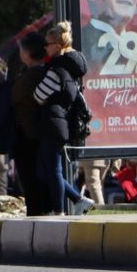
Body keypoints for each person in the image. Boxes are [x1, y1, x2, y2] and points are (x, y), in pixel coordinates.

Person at [33, 21, 93, 215]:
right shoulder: (69, 72)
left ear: (58, 46)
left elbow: (38, 95)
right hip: (60, 124)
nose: (45, 48)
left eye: (47, 44)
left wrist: (41, 98)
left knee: (54, 170)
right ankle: (78, 199)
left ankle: (59, 211)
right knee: (46, 171)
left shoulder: (56, 71)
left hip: (53, 124)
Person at [11, 33, 52, 216]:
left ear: (27, 53)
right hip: (43, 133)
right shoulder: (47, 72)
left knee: (31, 180)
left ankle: (37, 214)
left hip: (28, 135)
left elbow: (13, 99)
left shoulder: (30, 77)